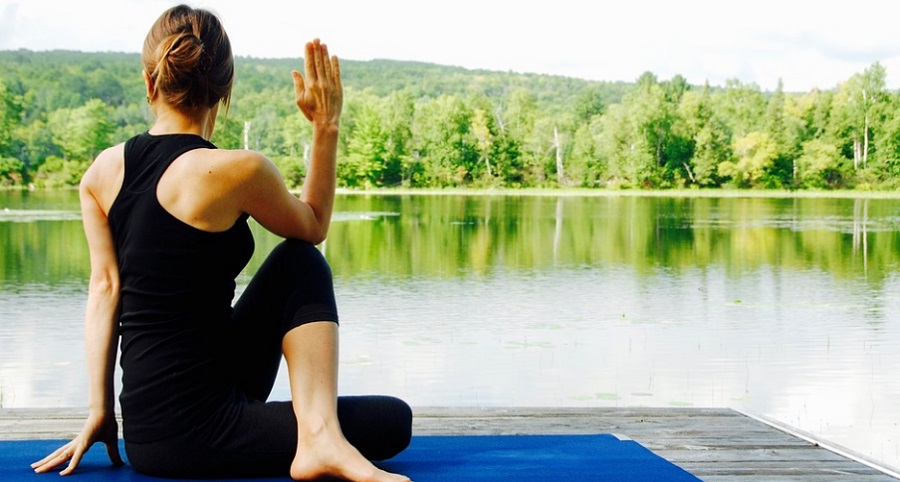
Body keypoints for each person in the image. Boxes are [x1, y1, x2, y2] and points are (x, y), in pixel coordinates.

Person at [31, 5, 412, 481]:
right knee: (390, 417)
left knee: (296, 263)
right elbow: (312, 226)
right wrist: (325, 127)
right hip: (197, 434)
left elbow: (105, 293)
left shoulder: (100, 173)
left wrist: (100, 409)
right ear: (225, 90)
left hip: (148, 434)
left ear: (150, 83)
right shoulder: (239, 170)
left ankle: (319, 436)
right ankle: (319, 437)